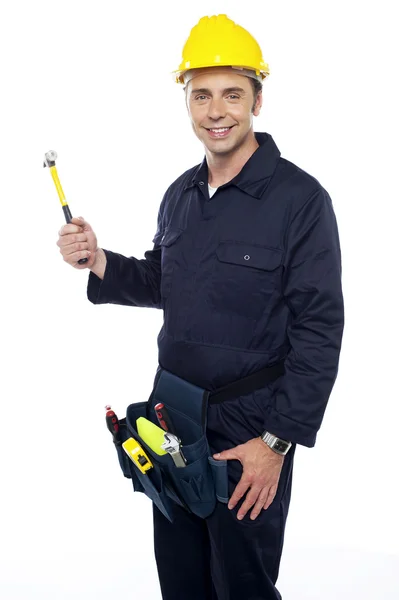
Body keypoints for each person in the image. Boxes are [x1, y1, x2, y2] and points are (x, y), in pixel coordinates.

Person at [56, 13, 344, 600]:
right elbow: (166, 280)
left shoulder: (301, 201)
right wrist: (98, 260)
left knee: (242, 584)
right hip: (172, 419)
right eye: (202, 95)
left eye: (232, 94)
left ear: (257, 101)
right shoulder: (180, 194)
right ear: (187, 103)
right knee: (182, 580)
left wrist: (277, 444)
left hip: (250, 430)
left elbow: (320, 330)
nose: (217, 111)